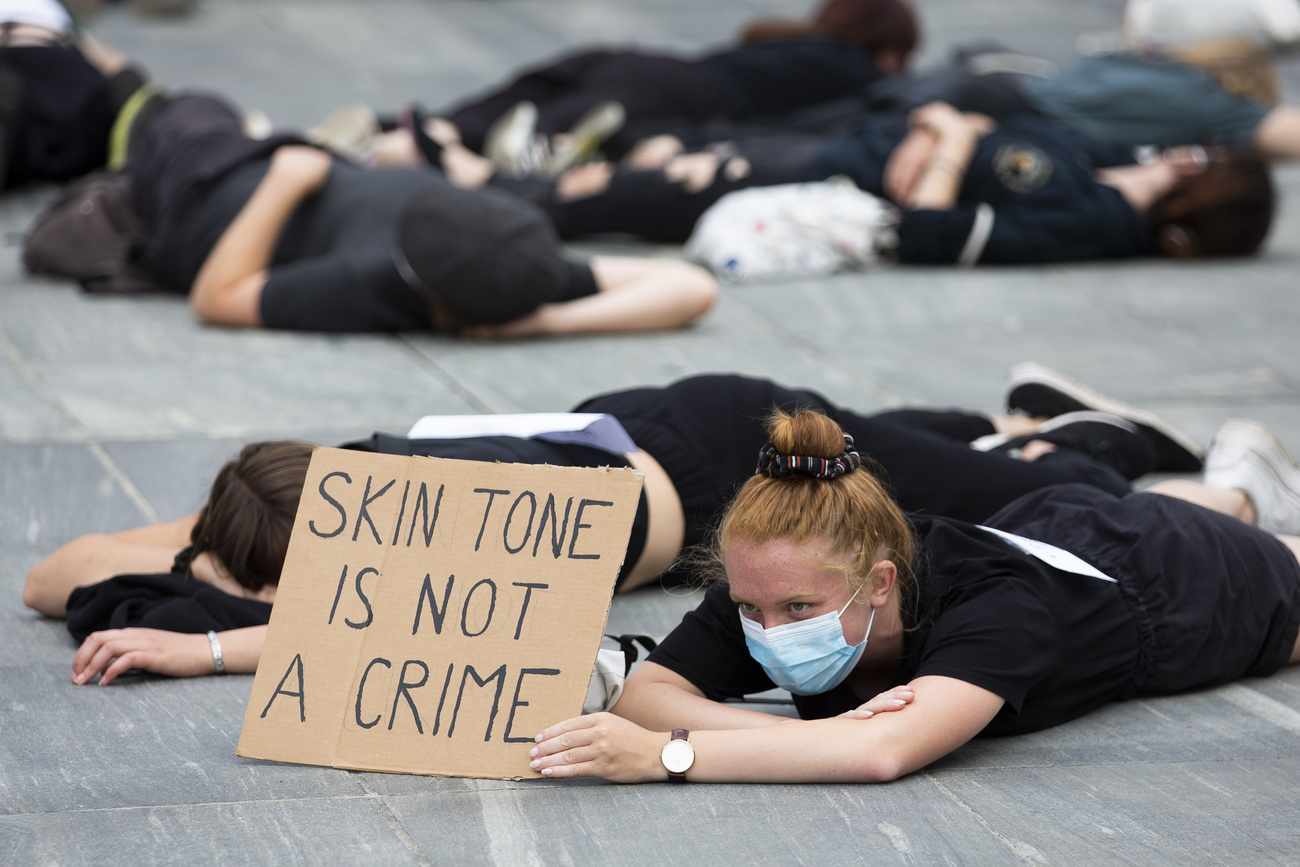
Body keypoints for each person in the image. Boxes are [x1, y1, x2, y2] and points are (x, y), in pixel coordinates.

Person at [24, 366, 1201, 684]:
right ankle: (1013, 418)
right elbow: (52, 572)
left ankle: (1127, 452)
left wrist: (218, 633)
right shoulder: (273, 497)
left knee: (1047, 508)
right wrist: (205, 564)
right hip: (626, 432)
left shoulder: (436, 516)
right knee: (943, 450)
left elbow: (380, 636)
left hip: (714, 440)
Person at [525, 407, 1300, 783]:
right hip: (1055, 522)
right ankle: (1235, 487)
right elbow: (651, 688)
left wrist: (673, 755)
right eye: (750, 606)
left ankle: (1239, 501)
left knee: (1268, 563)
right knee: (1141, 506)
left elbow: (882, 750)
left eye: (796, 610)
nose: (767, 626)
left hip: (1186, 585)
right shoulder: (774, 577)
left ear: (880, 582)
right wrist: (787, 738)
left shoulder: (998, 607)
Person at [118, 92, 715, 337]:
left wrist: (286, 179)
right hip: (308, 175)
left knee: (180, 109)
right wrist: (544, 323)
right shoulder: (517, 268)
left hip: (205, 197)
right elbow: (692, 285)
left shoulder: (369, 279)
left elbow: (216, 298)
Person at [527, 101, 1274, 264]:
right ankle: (477, 172)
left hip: (836, 182)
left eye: (1204, 163)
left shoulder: (1098, 220)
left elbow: (932, 233)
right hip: (850, 142)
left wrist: (946, 147)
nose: (1185, 153)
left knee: (631, 192)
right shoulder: (1101, 155)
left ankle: (482, 206)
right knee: (658, 148)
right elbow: (994, 118)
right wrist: (948, 130)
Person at [433, 0, 919, 172]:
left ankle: (406, 132)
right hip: (685, 92)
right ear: (888, 46)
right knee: (535, 144)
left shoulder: (791, 41)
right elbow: (902, 95)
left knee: (487, 116)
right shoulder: (857, 66)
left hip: (637, 63)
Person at [0, 0, 146, 189]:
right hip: (65, 68)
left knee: (6, 86)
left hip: (15, 93)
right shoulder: (61, 15)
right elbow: (110, 59)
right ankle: (135, 172)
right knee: (123, 87)